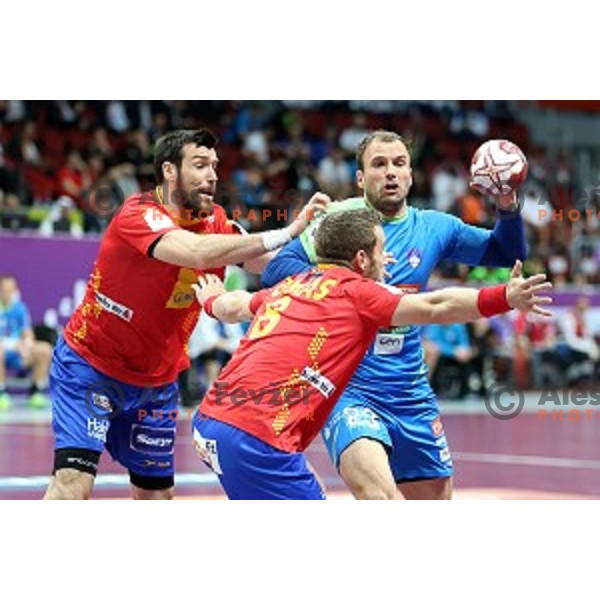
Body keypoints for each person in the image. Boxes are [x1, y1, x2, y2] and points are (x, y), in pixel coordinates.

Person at [44, 128, 328, 500]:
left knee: (157, 497)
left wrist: (334, 268)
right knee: (73, 484)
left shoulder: (218, 222)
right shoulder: (139, 214)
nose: (212, 174)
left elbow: (265, 262)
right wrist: (289, 229)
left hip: (155, 383)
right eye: (199, 165)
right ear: (169, 171)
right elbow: (195, 252)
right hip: (90, 367)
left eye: (214, 165)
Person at [190, 209, 551, 499]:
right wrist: (505, 297)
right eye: (382, 250)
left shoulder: (293, 285)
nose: (388, 258)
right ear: (361, 259)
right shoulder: (358, 292)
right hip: (258, 437)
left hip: (211, 424)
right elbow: (436, 306)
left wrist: (209, 299)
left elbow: (234, 305)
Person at [260, 130, 528, 500]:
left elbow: (504, 251)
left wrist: (507, 204)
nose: (390, 172)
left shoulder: (435, 227)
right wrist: (352, 278)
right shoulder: (338, 220)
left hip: (410, 392)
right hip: (347, 387)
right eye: (379, 164)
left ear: (411, 174)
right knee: (382, 499)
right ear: (359, 178)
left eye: (399, 164)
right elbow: (277, 269)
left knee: (435, 499)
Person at [0, 275, 53, 410]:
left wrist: (27, 345)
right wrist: (12, 344)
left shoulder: (19, 308)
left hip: (18, 353)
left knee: (44, 349)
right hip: (2, 352)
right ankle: (1, 393)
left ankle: (35, 392)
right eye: (5, 289)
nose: (7, 292)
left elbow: (28, 333)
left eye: (11, 289)